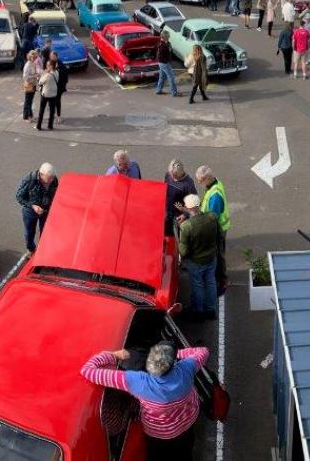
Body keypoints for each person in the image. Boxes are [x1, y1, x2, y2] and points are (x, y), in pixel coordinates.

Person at [80, 343, 209, 459]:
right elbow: (203, 351)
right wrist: (172, 355)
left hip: (159, 434)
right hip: (187, 424)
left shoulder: (139, 382)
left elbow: (87, 371)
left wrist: (113, 356)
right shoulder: (187, 367)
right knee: (184, 454)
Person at [179, 195, 221, 319]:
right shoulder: (212, 217)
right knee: (210, 282)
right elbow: (219, 236)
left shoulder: (186, 226)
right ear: (200, 204)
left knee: (197, 285)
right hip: (211, 257)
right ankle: (211, 310)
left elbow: (183, 250)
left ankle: (198, 312)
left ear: (187, 207)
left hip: (195, 260)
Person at [194, 165, 229, 294]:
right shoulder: (215, 183)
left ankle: (222, 282)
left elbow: (212, 218)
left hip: (217, 229)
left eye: (200, 180)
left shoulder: (215, 195)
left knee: (219, 255)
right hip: (218, 227)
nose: (198, 182)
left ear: (207, 178)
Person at [15, 162, 59, 255]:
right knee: (30, 232)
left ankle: (43, 250)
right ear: (41, 174)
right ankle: (31, 249)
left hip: (46, 210)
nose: (51, 180)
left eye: (52, 177)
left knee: (46, 232)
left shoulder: (53, 179)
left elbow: (56, 192)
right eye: (49, 178)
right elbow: (19, 196)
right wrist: (32, 206)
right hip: (30, 212)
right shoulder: (29, 180)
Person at [163, 160, 197, 236]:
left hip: (179, 215)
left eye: (173, 175)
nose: (171, 176)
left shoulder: (188, 185)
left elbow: (194, 203)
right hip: (167, 211)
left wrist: (185, 215)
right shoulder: (168, 175)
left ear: (180, 174)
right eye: (171, 174)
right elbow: (165, 187)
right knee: (166, 233)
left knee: (180, 235)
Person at [36, 62, 59, 130]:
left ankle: (39, 125)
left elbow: (40, 82)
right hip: (53, 94)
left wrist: (44, 74)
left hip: (45, 94)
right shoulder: (57, 72)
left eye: (48, 65)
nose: (46, 66)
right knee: (52, 111)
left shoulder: (47, 75)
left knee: (41, 110)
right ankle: (50, 125)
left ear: (51, 66)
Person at [22, 49, 41, 120]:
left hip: (33, 84)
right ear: (30, 57)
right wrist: (34, 76)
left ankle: (30, 115)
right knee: (28, 101)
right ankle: (26, 117)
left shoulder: (33, 63)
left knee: (30, 101)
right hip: (29, 84)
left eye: (36, 57)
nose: (35, 59)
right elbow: (25, 77)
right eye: (33, 57)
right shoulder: (28, 65)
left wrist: (37, 75)